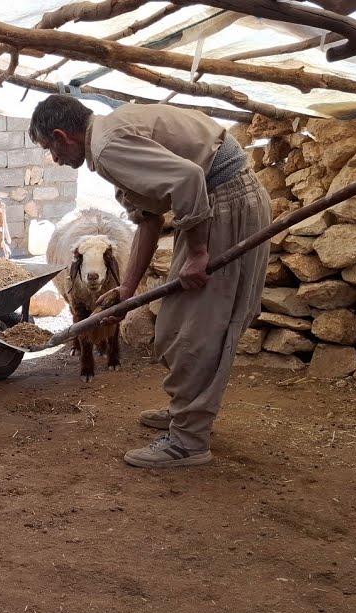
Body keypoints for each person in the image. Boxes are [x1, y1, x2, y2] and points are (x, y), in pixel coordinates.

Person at [28, 94, 271, 469]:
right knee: (176, 322)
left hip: (225, 201)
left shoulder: (109, 147)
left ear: (62, 136)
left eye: (51, 149)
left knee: (200, 327)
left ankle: (189, 441)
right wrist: (126, 290)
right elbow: (148, 220)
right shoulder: (108, 142)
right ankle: (185, 411)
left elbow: (190, 179)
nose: (55, 159)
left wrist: (198, 253)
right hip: (211, 203)